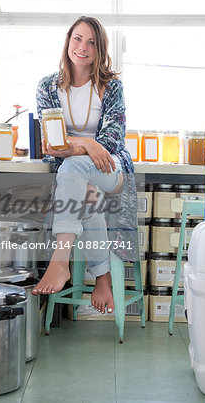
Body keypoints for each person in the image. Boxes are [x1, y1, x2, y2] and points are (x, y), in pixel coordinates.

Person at [32, 16, 138, 315]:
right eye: (78, 38)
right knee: (86, 192)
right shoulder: (48, 86)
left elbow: (112, 140)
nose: (83, 47)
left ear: (100, 48)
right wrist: (88, 143)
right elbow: (51, 144)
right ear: (68, 41)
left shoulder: (110, 86)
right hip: (81, 175)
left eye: (91, 42)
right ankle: (102, 278)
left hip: (112, 170)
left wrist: (84, 145)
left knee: (74, 168)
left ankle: (59, 261)